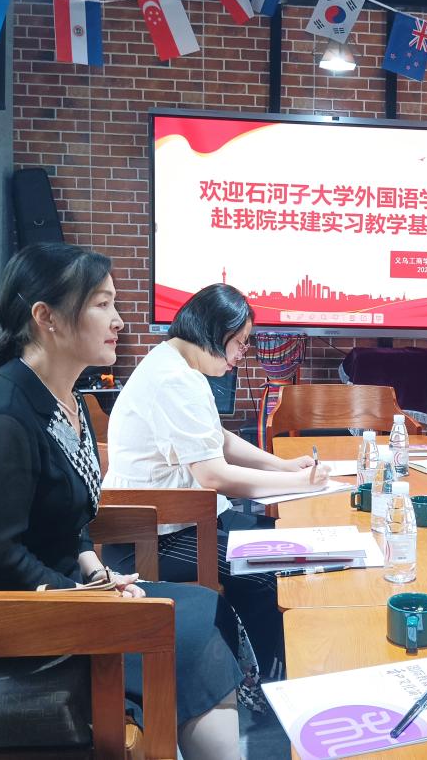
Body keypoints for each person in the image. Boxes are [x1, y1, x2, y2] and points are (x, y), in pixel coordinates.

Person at [0, 244, 255, 760]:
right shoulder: (3, 420)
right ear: (47, 318)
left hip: (56, 597)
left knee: (205, 608)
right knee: (186, 630)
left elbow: (73, 519)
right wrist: (90, 597)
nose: (119, 320)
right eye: (102, 304)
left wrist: (96, 573)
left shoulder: (69, 402)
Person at [102, 283, 330, 676]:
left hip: (177, 521)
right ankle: (264, 683)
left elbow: (216, 438)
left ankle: (270, 671)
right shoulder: (174, 378)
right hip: (148, 540)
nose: (242, 355)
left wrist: (282, 467)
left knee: (286, 540)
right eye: (239, 343)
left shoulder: (175, 363)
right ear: (214, 331)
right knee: (272, 572)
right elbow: (213, 475)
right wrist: (302, 483)